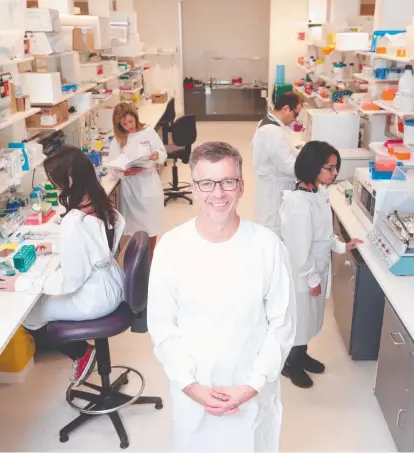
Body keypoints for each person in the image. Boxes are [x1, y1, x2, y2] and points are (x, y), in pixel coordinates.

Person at [147, 141, 296, 452]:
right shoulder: (172, 248)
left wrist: (253, 385)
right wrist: (190, 385)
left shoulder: (267, 247)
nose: (217, 193)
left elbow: (282, 325)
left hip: (253, 392)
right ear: (195, 187)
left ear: (241, 186)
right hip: (194, 393)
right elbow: (162, 327)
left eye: (227, 181)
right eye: (206, 183)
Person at [0, 146, 126, 387]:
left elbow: (70, 281)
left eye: (56, 181)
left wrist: (21, 282)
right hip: (115, 284)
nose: (54, 186)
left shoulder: (75, 221)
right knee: (43, 297)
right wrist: (57, 248)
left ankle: (81, 352)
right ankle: (84, 352)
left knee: (30, 316)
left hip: (95, 298)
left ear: (70, 179)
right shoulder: (101, 202)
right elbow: (96, 246)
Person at [279, 141, 363, 389]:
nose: (334, 173)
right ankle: (289, 364)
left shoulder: (316, 193)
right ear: (314, 167)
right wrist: (312, 279)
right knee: (300, 320)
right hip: (303, 273)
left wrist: (341, 246)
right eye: (330, 168)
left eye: (336, 167)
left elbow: (322, 235)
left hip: (316, 268)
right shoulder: (299, 204)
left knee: (309, 319)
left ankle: (300, 353)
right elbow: (298, 251)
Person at [108, 102, 167, 259]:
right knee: (136, 228)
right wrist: (125, 172)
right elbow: (113, 166)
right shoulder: (118, 140)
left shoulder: (148, 132)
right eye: (124, 124)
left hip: (149, 185)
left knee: (152, 225)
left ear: (135, 117)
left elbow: (163, 153)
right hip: (131, 190)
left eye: (130, 121)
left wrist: (156, 155)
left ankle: (150, 257)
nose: (129, 126)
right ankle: (139, 258)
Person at [251, 92, 302, 236]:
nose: (295, 120)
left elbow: (282, 153)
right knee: (273, 229)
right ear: (286, 108)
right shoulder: (271, 131)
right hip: (274, 190)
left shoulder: (269, 122)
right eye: (295, 114)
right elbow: (288, 166)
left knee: (270, 226)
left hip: (271, 186)